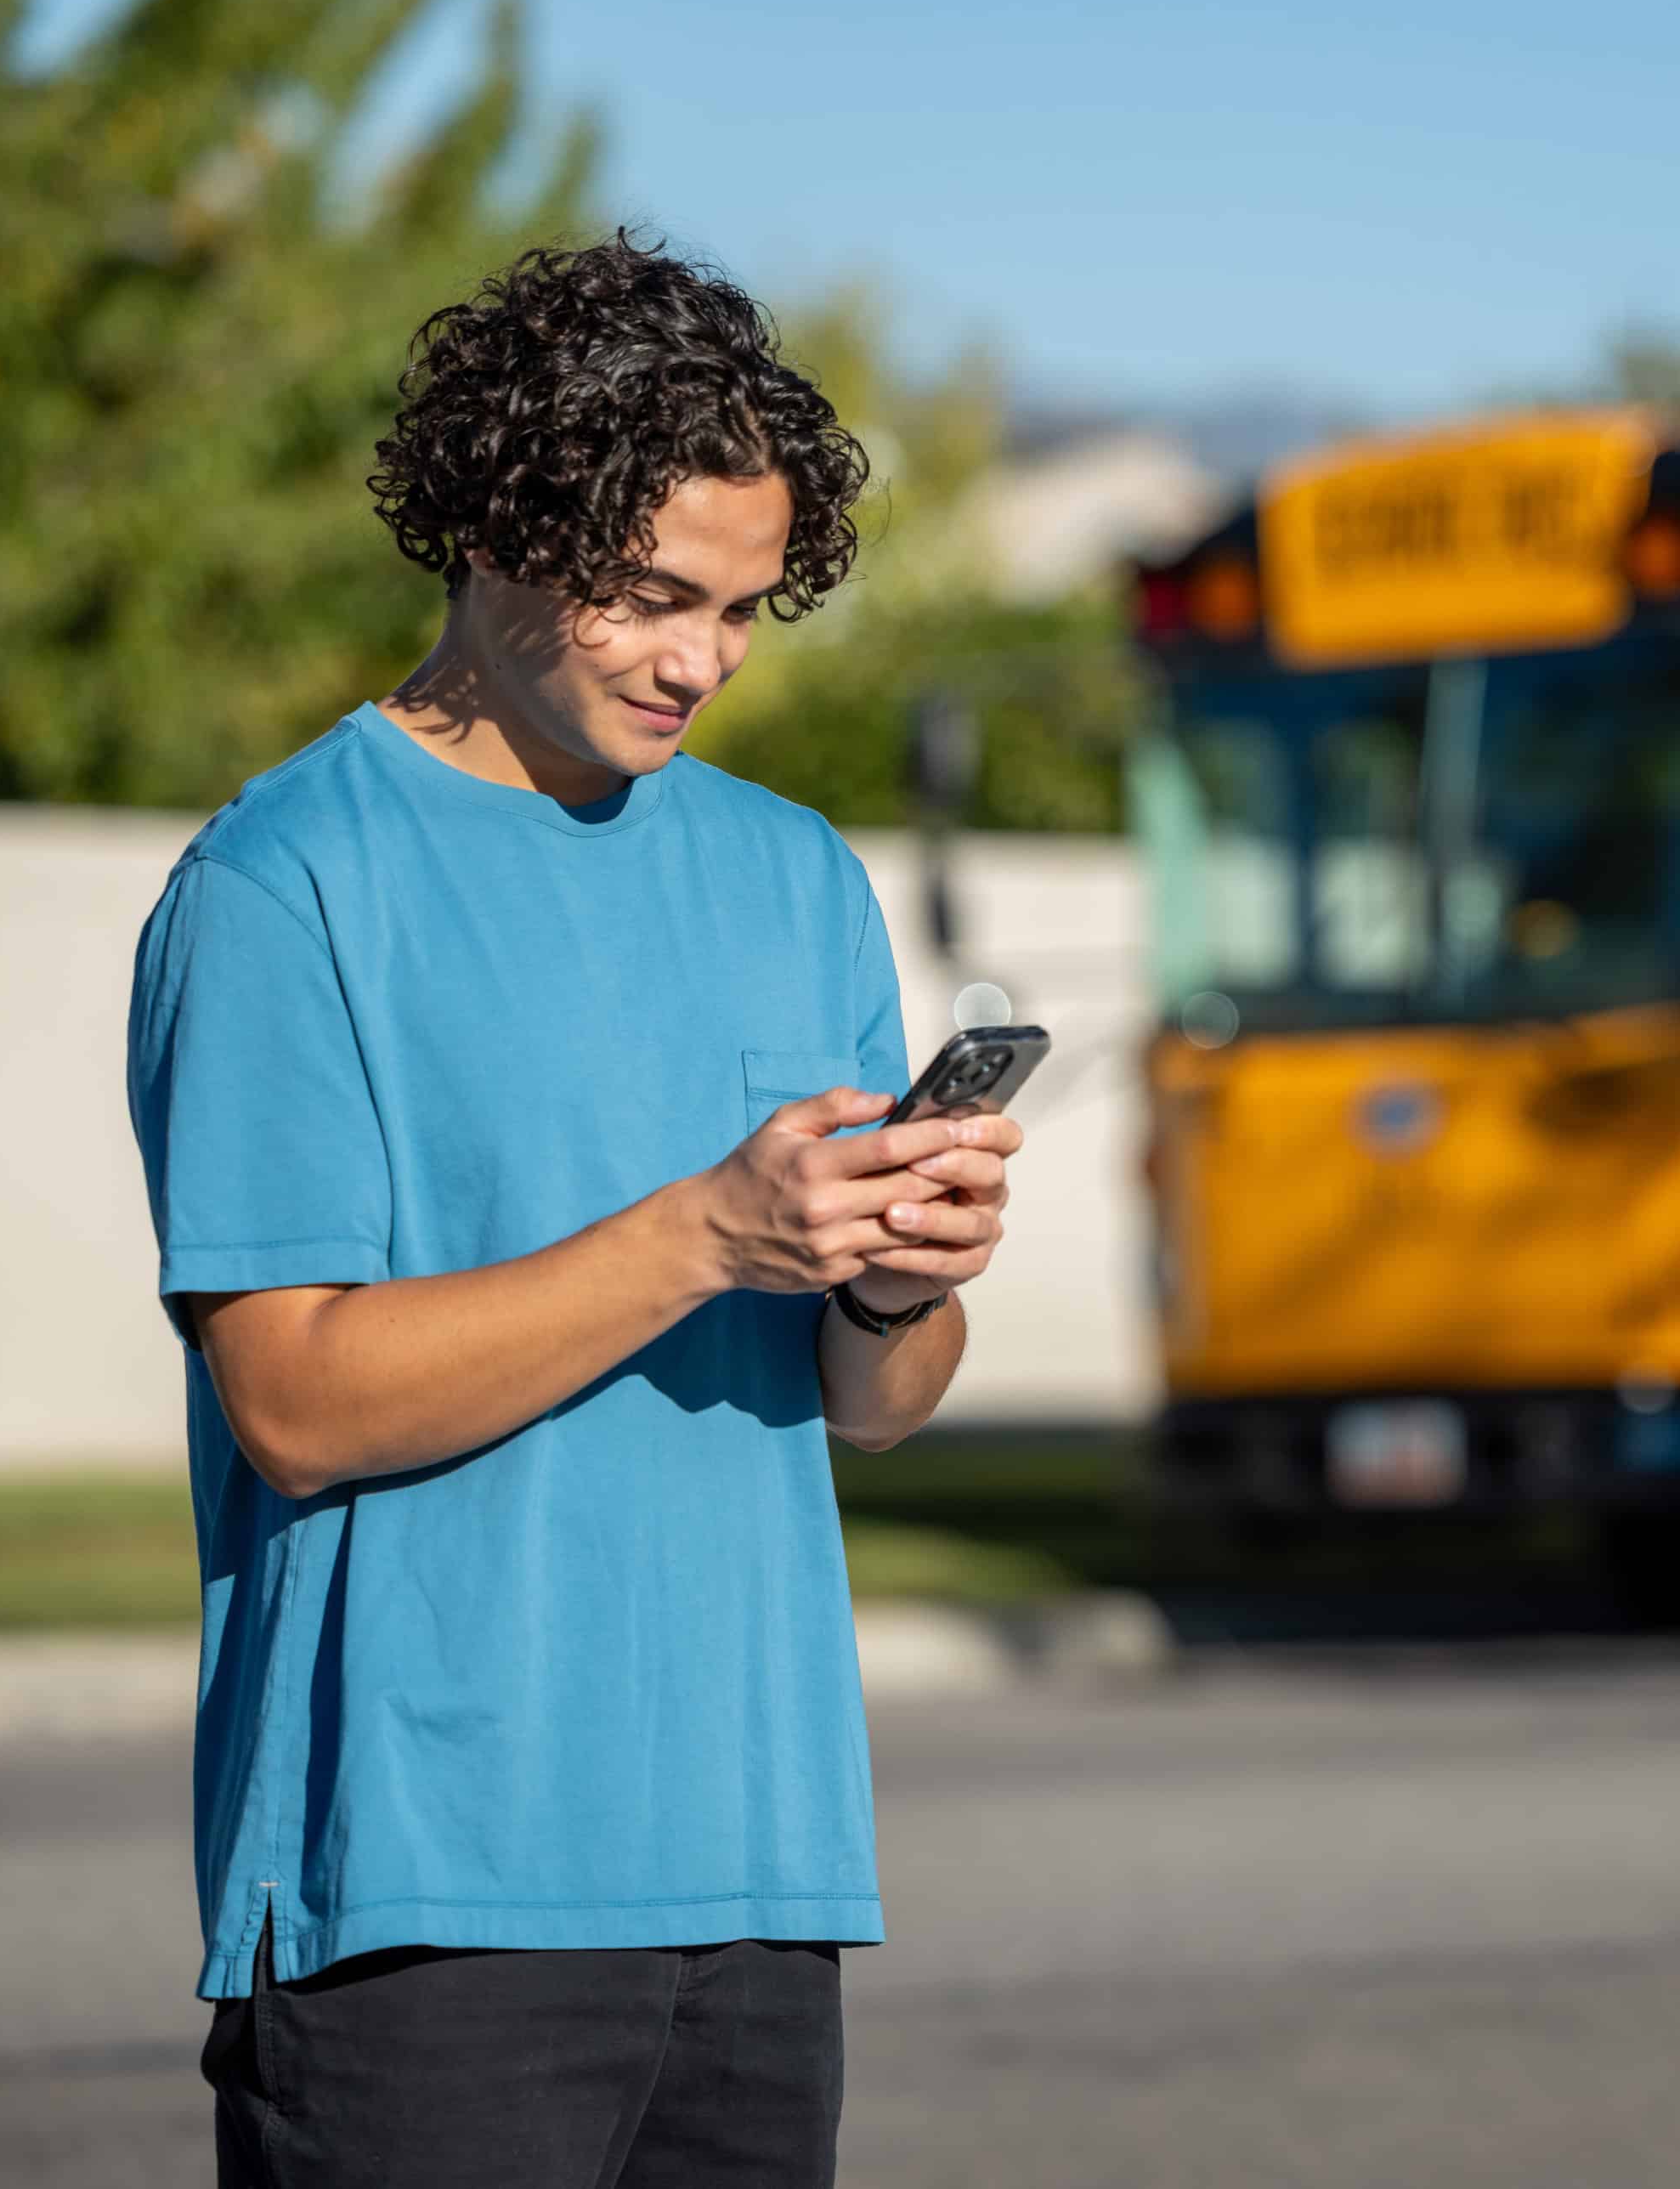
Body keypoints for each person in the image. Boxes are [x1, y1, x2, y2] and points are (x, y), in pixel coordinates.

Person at [124, 232, 1026, 2187]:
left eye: (739, 606)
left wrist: (894, 1287)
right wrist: (708, 1231)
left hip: (761, 1865)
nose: (700, 658)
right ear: (494, 530)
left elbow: (872, 1404)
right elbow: (290, 1400)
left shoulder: (797, 877)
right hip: (423, 1894)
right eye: (647, 598)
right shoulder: (284, 883)